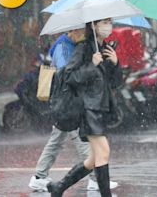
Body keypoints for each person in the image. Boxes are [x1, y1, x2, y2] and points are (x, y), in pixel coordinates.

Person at [29, 29, 118, 192]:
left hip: (73, 102)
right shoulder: (63, 46)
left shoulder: (78, 45)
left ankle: (43, 178)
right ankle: (93, 179)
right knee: (82, 142)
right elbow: (67, 74)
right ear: (73, 30)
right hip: (69, 102)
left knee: (57, 141)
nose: (84, 34)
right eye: (81, 31)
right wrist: (88, 64)